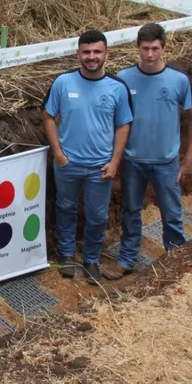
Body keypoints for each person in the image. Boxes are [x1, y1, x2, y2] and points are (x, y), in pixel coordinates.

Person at [104, 23, 192, 280]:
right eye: (145, 48)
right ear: (137, 48)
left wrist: (190, 157)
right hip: (132, 160)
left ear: (164, 48)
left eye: (155, 49)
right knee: (131, 211)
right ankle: (126, 259)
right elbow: (114, 119)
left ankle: (175, 257)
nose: (150, 54)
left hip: (166, 161)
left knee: (171, 212)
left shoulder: (178, 81)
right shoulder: (123, 79)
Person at [42, 30, 133, 285]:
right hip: (68, 163)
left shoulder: (117, 88)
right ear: (78, 54)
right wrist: (59, 154)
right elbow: (48, 116)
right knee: (65, 208)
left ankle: (91, 258)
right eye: (86, 52)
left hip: (99, 168)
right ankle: (67, 254)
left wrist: (115, 162)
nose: (91, 57)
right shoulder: (63, 83)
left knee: (97, 216)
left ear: (106, 54)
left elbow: (123, 125)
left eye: (97, 52)